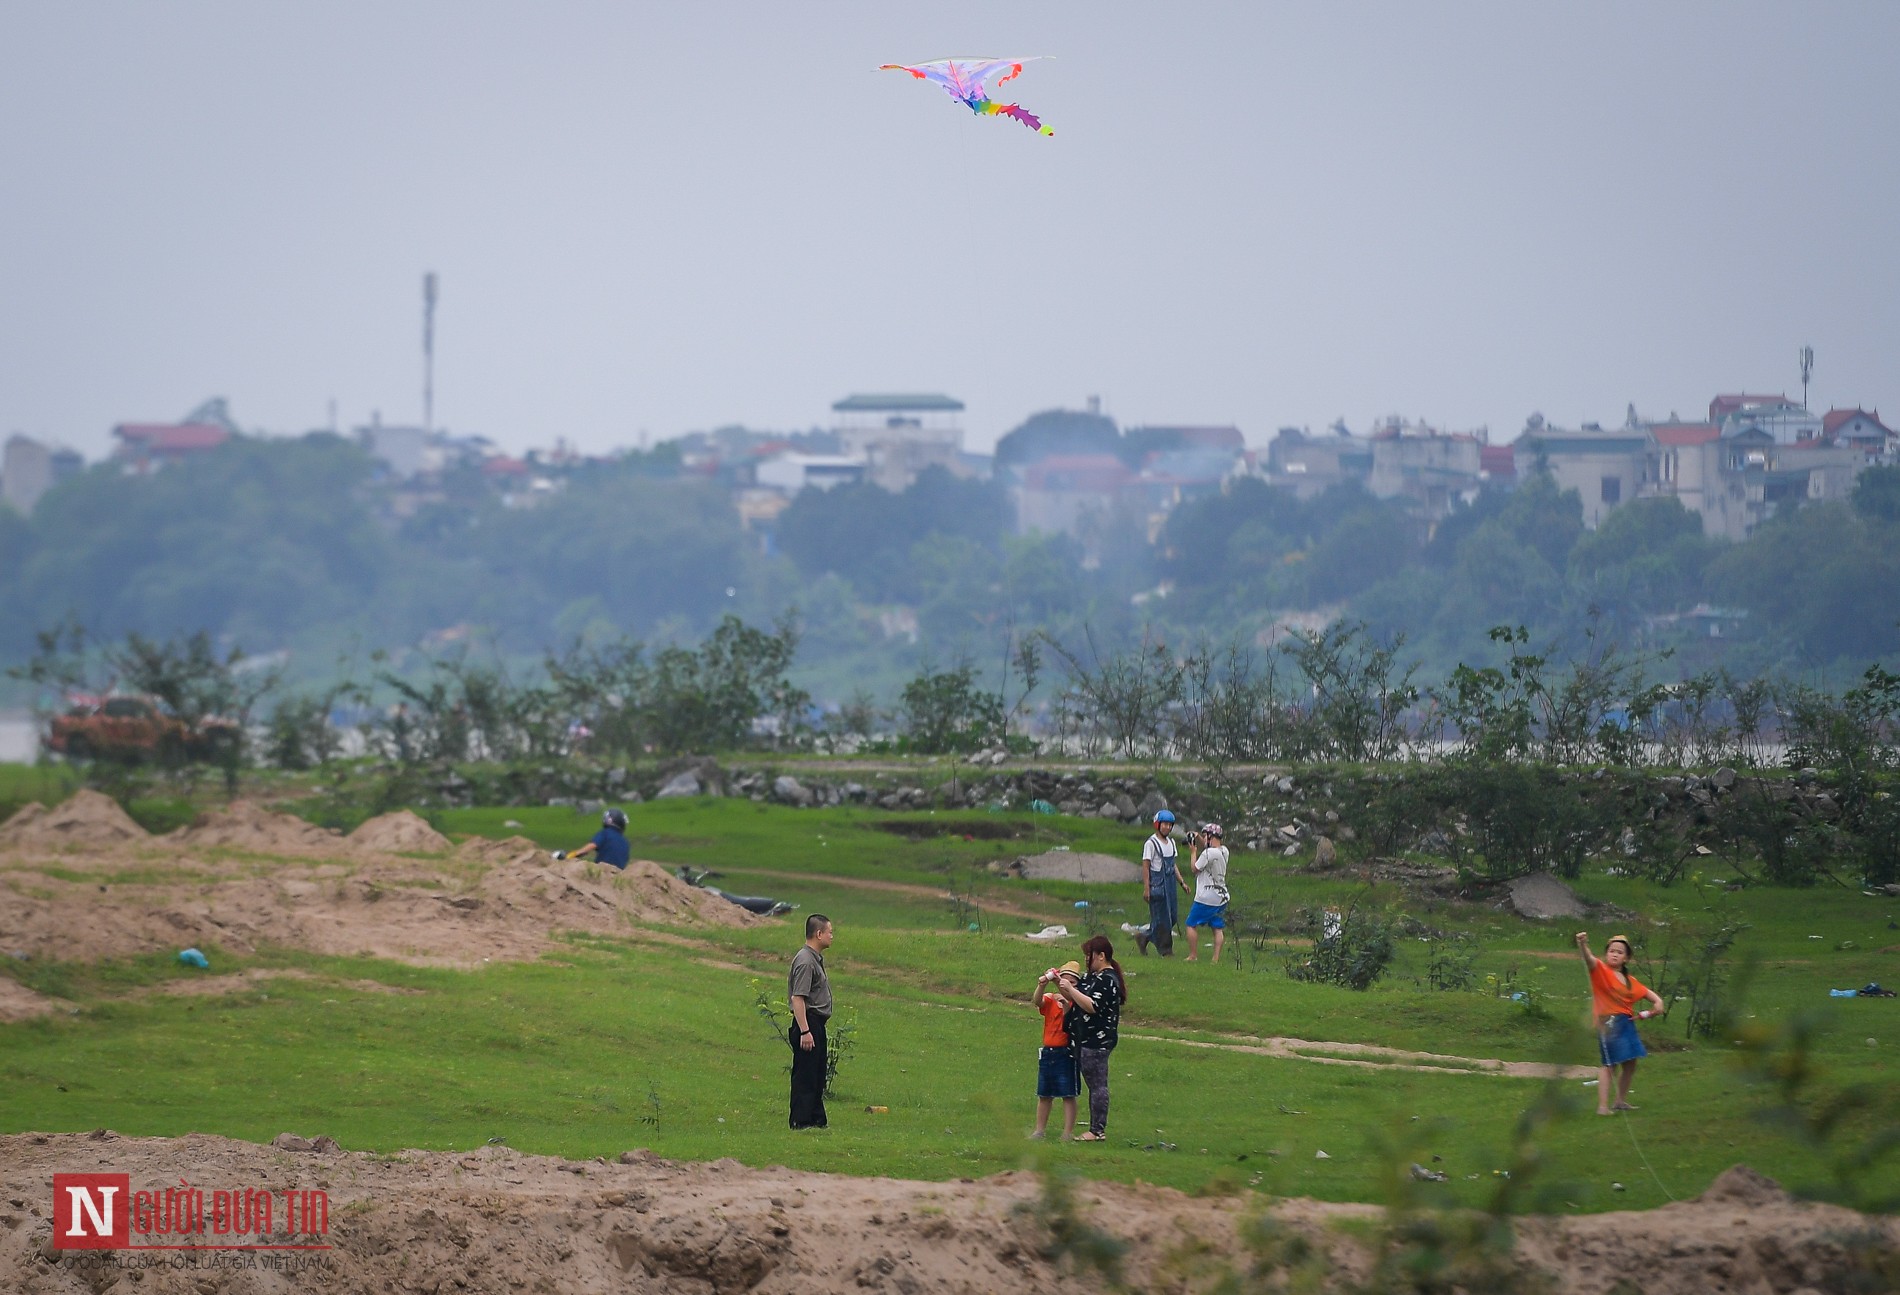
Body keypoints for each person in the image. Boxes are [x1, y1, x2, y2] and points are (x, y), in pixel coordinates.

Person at [1575, 931, 1665, 1115]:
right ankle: (1602, 1106)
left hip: (1626, 1023)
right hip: (1609, 1022)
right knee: (1609, 1064)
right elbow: (1589, 959)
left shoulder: (1629, 980)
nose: (1614, 954)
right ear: (1606, 953)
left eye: (1620, 952)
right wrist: (1582, 944)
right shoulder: (1600, 970)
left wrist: (1658, 1003)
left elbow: (1649, 994)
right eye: (1611, 951)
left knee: (1630, 1063)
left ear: (1626, 958)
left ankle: (1620, 1101)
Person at [1063, 935, 1127, 1141]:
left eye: (1088, 955)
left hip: (1097, 1041)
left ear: (1101, 956)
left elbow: (1092, 1006)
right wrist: (1061, 985)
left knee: (1098, 1085)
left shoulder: (1108, 980)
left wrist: (1071, 989)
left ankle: (1097, 1130)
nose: (1085, 960)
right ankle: (1095, 1128)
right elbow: (1077, 998)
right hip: (1084, 1039)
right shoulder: (1093, 978)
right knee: (1093, 1083)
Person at [789, 913, 835, 1129]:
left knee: (817, 1074)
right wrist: (805, 1031)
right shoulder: (806, 961)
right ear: (819, 934)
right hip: (808, 1023)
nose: (832, 936)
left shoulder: (813, 959)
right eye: (830, 932)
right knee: (806, 1075)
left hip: (816, 1025)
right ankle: (801, 1120)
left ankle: (816, 1119)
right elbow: (798, 998)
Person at [1031, 960, 1082, 1139]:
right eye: (1064, 981)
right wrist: (1042, 985)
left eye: (1072, 983)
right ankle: (1039, 1130)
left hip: (1066, 1052)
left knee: (1068, 1094)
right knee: (1044, 1093)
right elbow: (1037, 1001)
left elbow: (1071, 1016)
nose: (1067, 986)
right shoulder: (1052, 999)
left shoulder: (1076, 1001)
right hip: (1048, 1051)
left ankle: (1067, 1132)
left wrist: (1064, 998)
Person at [1183, 823, 1230, 963]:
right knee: (1217, 927)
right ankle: (1215, 958)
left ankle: (1193, 955)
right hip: (1221, 896)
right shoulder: (1224, 851)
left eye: (1205, 836)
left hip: (1205, 897)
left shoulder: (1208, 854)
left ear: (1210, 836)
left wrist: (1193, 852)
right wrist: (1199, 837)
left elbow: (1194, 868)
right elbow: (1209, 847)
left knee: (1191, 924)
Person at [1139, 810, 1182, 956]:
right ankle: (1166, 950)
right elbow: (1146, 866)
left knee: (1172, 916)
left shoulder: (1171, 843)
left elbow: (1173, 864)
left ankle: (1144, 936)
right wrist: (1147, 888)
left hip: (1170, 885)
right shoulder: (1151, 843)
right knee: (1162, 918)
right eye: (1164, 824)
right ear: (1158, 825)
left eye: (1170, 825)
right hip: (1157, 885)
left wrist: (1182, 882)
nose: (1167, 828)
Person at [552, 808, 632, 870]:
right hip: (618, 875)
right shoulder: (626, 842)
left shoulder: (605, 833)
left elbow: (588, 848)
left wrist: (569, 856)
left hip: (603, 872)